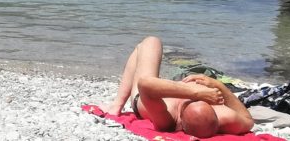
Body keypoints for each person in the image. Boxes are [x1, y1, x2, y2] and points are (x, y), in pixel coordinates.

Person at [107, 36, 254, 139]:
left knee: (150, 42)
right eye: (205, 103)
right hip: (165, 88)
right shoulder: (224, 118)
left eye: (191, 102)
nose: (192, 100)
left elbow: (145, 83)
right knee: (145, 47)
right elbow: (248, 121)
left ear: (181, 122)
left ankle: (117, 105)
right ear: (214, 114)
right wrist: (218, 85)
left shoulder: (168, 119)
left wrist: (196, 93)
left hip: (145, 96)